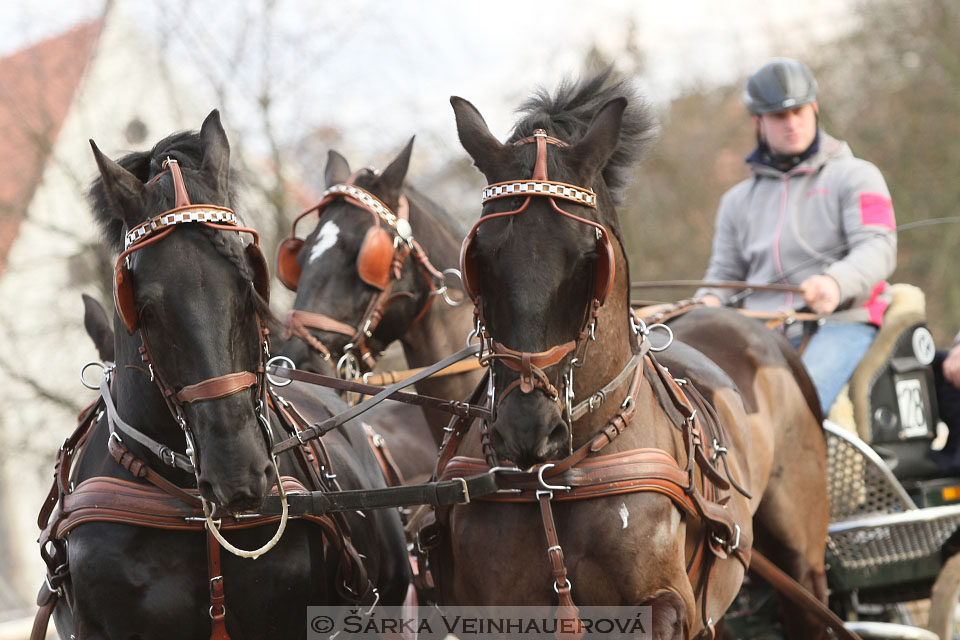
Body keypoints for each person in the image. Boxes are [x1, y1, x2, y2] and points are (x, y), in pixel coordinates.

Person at [696, 58, 897, 414]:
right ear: (758, 121)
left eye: (799, 112)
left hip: (839, 323)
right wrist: (706, 301)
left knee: (793, 409)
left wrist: (835, 283)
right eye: (778, 116)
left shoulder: (857, 176)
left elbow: (879, 246)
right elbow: (724, 276)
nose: (791, 124)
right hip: (758, 330)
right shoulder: (736, 202)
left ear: (815, 108)